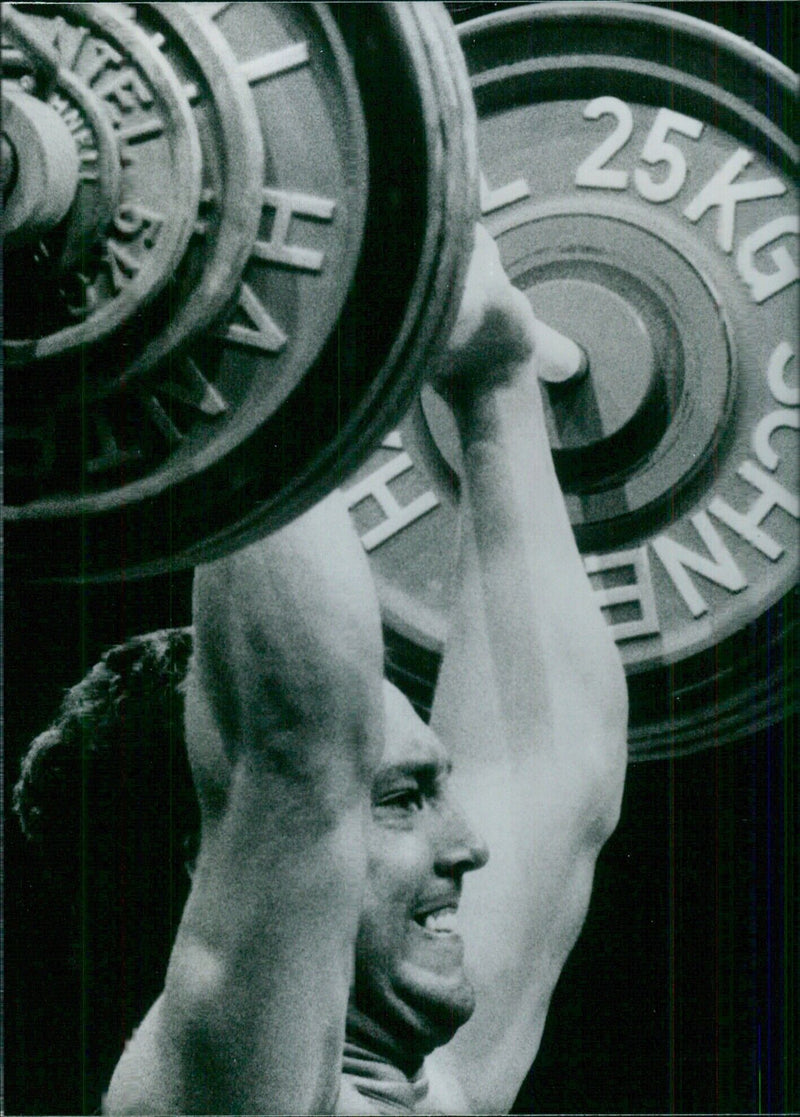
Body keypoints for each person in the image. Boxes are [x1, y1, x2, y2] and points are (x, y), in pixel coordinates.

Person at [93, 224, 628, 1114]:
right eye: (400, 797)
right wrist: (251, 319)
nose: (470, 844)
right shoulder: (220, 1093)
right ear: (206, 859)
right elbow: (301, 743)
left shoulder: (436, 1084)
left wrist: (495, 379)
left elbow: (553, 770)